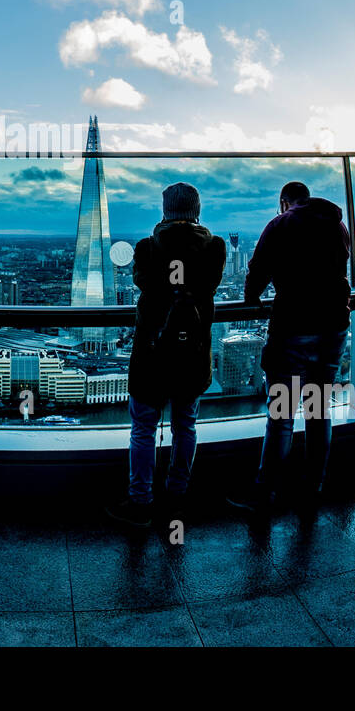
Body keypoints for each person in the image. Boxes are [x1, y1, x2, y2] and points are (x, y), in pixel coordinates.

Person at [106, 182, 226, 527]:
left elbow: (145, 282)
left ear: (165, 210)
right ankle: (177, 497)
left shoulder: (147, 247)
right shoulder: (215, 247)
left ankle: (141, 501)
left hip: (152, 355)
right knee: (185, 425)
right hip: (192, 353)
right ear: (196, 210)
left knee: (143, 428)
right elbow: (209, 284)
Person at [230, 181, 351, 514]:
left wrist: (251, 298)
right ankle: (314, 486)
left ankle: (265, 492)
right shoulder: (337, 224)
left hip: (293, 329)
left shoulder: (280, 224)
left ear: (283, 202)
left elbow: (258, 270)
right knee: (319, 411)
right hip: (333, 329)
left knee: (281, 417)